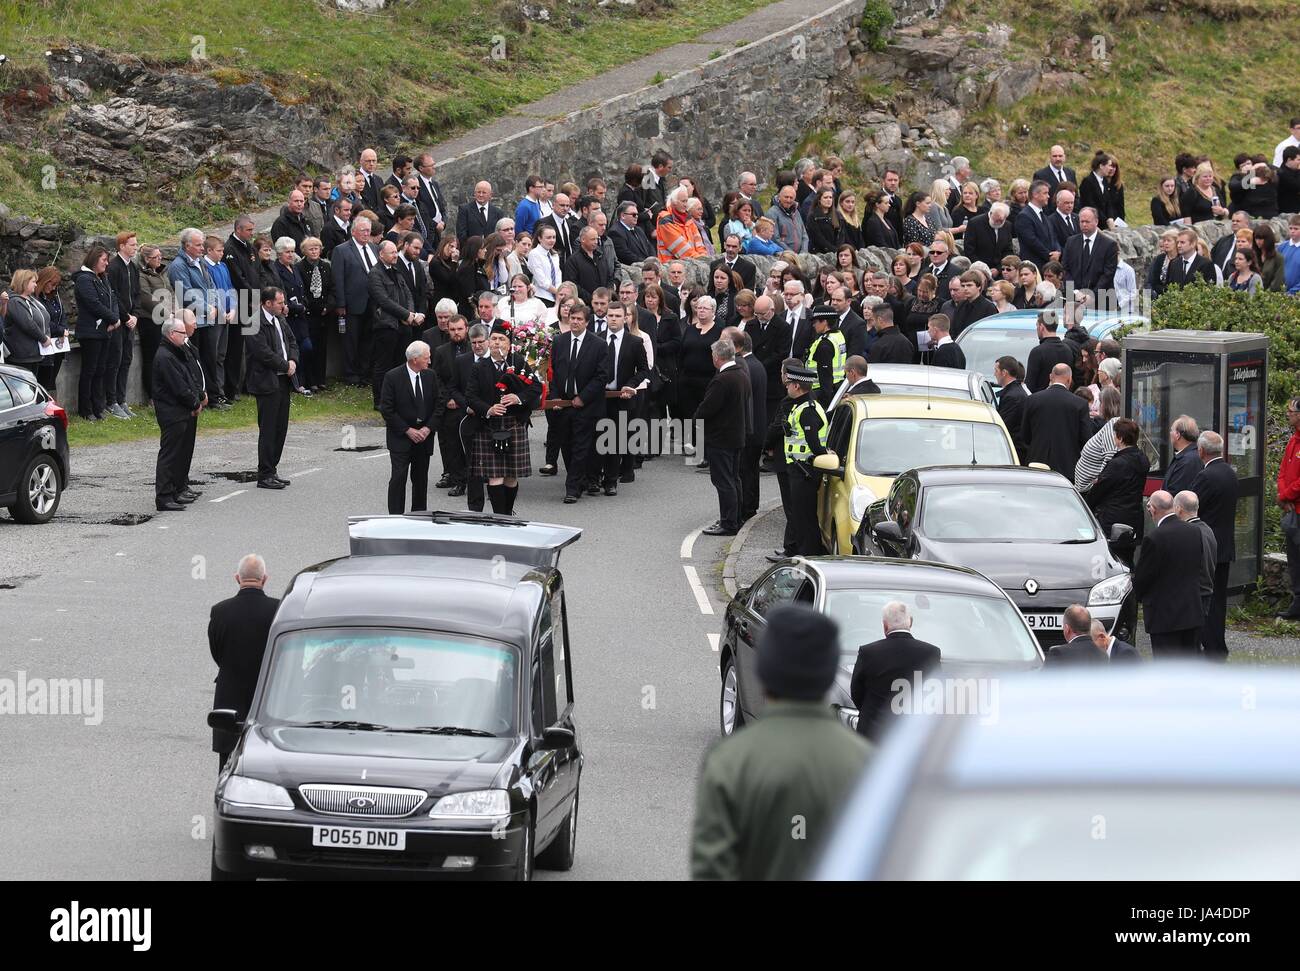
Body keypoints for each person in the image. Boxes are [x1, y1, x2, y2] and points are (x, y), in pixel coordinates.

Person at [691, 604, 869, 880]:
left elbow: (711, 868)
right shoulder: (868, 764)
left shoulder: (729, 760)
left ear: (763, 672)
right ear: (828, 675)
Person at [209, 554, 280, 772]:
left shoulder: (220, 611)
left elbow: (217, 653)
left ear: (237, 578)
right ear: (264, 579)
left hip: (229, 699)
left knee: (228, 766)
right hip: (268, 697)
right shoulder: (278, 610)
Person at [465, 321, 540, 515]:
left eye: (502, 339)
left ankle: (507, 513)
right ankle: (500, 517)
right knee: (494, 476)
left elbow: (536, 387)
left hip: (513, 424)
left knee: (511, 476)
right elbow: (471, 396)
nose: (497, 342)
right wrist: (488, 409)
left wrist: (518, 398)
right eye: (494, 339)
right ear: (489, 342)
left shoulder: (518, 362)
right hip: (489, 426)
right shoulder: (479, 367)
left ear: (509, 344)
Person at [848, 599, 942, 739]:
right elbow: (934, 693)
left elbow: (856, 691)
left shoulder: (868, 652)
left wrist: (871, 711)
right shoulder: (931, 653)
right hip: (912, 733)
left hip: (873, 733)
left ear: (885, 625)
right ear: (910, 622)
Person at [1132, 490, 1206, 658]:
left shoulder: (1154, 538)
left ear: (1152, 509)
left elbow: (1143, 578)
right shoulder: (1194, 531)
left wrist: (1138, 595)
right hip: (1191, 611)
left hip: (1164, 616)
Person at [550, 304, 610, 503]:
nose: (575, 322)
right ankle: (579, 479)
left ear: (587, 322)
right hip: (564, 403)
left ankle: (572, 488)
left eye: (579, 319)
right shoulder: (559, 341)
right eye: (572, 318)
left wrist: (583, 397)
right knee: (566, 445)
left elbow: (601, 376)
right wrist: (556, 397)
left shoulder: (598, 344)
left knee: (580, 447)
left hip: (587, 405)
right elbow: (554, 373)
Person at [379, 340, 442, 514]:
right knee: (398, 478)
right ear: (415, 359)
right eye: (427, 358)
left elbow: (439, 404)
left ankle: (419, 515)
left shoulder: (430, 376)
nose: (429, 361)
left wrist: (428, 428)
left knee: (421, 479)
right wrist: (407, 430)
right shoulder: (393, 377)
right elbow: (387, 409)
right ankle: (396, 517)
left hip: (424, 437)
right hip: (401, 437)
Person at [246, 287, 299, 491]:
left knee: (280, 428)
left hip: (283, 380)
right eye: (279, 302)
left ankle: (272, 469)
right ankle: (265, 473)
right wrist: (285, 365)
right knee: (268, 429)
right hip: (266, 381)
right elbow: (262, 353)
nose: (283, 306)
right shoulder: (253, 322)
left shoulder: (280, 319)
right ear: (267, 303)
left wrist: (292, 360)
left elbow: (292, 341)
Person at [696, 338, 750, 537]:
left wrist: (695, 420)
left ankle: (728, 523)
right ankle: (735, 518)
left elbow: (707, 408)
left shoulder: (722, 380)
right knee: (733, 479)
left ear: (717, 357)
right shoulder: (742, 374)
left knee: (724, 481)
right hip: (736, 436)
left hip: (721, 439)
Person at [1191, 431, 1237, 662]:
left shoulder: (1205, 477)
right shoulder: (1230, 472)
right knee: (1218, 600)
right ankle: (1217, 646)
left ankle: (1209, 646)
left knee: (1205, 599)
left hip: (1207, 547)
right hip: (1225, 546)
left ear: (1201, 451)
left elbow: (1192, 506)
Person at [150, 318, 205, 511]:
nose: (185, 336)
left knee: (180, 453)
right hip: (172, 412)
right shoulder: (165, 357)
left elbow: (189, 377)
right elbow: (178, 386)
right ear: (171, 334)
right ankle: (164, 496)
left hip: (180, 411)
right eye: (182, 333)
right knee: (170, 454)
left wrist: (197, 397)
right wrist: (194, 403)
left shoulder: (176, 352)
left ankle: (175, 489)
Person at [598, 303, 652, 495]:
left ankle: (611, 480)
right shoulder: (596, 339)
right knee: (597, 437)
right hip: (599, 397)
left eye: (617, 316)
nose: (613, 319)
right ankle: (594, 477)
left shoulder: (635, 342)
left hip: (622, 397)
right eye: (610, 315)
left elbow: (644, 370)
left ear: (625, 318)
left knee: (615, 439)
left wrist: (631, 384)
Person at [1083, 417, 1146, 565]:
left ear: (1120, 438)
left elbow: (1099, 491)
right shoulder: (1142, 459)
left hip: (1113, 520)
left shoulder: (1117, 464)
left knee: (1112, 560)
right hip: (1133, 517)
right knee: (1127, 559)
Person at [72, 244, 120, 421]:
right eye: (104, 260)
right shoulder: (84, 279)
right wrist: (113, 319)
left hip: (104, 331)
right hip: (90, 332)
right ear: (94, 260)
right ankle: (86, 409)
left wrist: (115, 319)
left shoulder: (102, 278)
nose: (107, 264)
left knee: (100, 370)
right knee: (90, 370)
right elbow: (93, 304)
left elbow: (113, 299)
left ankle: (98, 407)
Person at [1021, 363, 1093, 479]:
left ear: (1050, 377)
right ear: (1069, 380)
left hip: (1036, 463)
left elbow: (1025, 435)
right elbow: (1086, 439)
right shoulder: (1079, 404)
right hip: (1067, 466)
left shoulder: (1032, 400)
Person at [105, 231, 141, 419]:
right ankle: (111, 401)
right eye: (132, 245)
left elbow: (137, 293)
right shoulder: (114, 267)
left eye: (136, 244)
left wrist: (135, 315)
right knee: (115, 361)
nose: (136, 247)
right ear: (122, 246)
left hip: (130, 322)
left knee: (126, 360)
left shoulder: (133, 267)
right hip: (119, 322)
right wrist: (126, 317)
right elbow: (114, 295)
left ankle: (122, 399)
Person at [1174, 489, 1218, 628]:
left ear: (1178, 509)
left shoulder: (1187, 533)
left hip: (1192, 595)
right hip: (1206, 591)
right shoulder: (1208, 530)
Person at [1075, 387, 1123, 491]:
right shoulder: (1111, 424)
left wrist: (1100, 481)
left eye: (1100, 403)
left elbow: (1110, 456)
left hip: (1092, 490)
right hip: (1087, 488)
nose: (1098, 407)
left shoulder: (1112, 426)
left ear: (1106, 405)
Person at [1277, 398, 1300, 620]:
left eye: (1291, 410)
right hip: (1292, 511)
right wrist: (1282, 495)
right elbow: (1283, 471)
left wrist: (1285, 495)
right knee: (1294, 559)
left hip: (1296, 507)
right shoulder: (1293, 440)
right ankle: (1297, 603)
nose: (1288, 414)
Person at [805, 307, 846, 409]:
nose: (813, 325)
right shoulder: (838, 335)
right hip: (837, 386)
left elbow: (825, 375)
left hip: (821, 391)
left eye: (815, 322)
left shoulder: (825, 344)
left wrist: (825, 403)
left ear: (825, 322)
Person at [1014, 180, 1058, 267]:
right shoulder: (1024, 216)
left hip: (1048, 264)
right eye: (1045, 193)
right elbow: (1032, 241)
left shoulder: (1044, 216)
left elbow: (1053, 237)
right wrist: (1049, 255)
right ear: (1035, 195)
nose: (1048, 196)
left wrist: (1057, 252)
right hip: (1033, 266)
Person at [993, 355, 1028, 460]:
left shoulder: (1013, 397)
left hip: (1014, 451)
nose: (994, 374)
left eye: (996, 370)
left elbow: (1003, 425)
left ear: (1004, 373)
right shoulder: (1014, 392)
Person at [1164, 414, 1203, 495]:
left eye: (1171, 430)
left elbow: (1176, 492)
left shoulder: (1187, 461)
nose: (1170, 433)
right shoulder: (1191, 455)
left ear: (1177, 435)